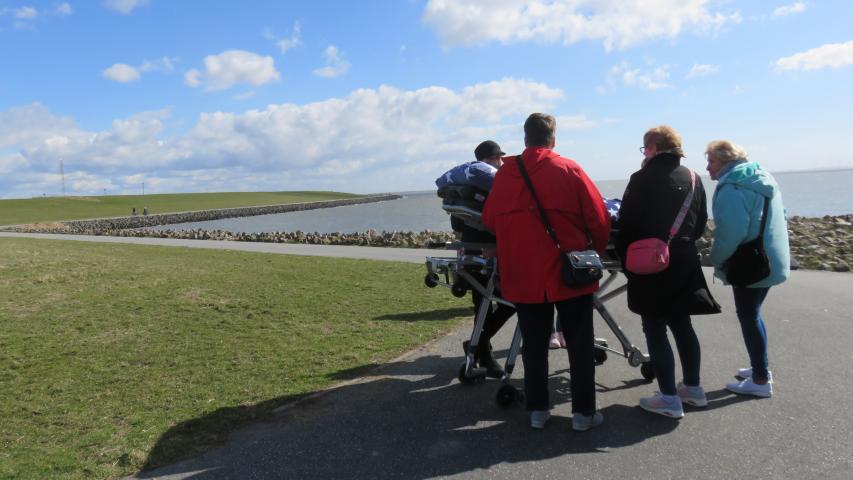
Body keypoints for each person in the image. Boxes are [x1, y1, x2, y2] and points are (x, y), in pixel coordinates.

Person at [482, 113, 610, 431]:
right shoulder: (568, 168)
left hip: (523, 276)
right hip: (570, 275)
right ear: (553, 138)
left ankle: (538, 411)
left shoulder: (505, 175)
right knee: (579, 346)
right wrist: (597, 249)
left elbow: (489, 220)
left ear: (525, 139)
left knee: (533, 346)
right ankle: (583, 414)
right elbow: (599, 218)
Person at [615, 125, 719, 419]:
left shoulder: (642, 177)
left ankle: (669, 398)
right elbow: (699, 225)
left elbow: (627, 225)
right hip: (684, 257)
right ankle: (694, 389)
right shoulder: (694, 178)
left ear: (654, 147)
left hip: (651, 260)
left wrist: (627, 260)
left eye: (644, 148)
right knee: (682, 324)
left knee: (655, 327)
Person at [706, 140, 789, 398]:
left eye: (711, 161)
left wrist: (715, 259)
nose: (708, 167)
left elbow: (730, 234)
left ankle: (761, 380)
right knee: (753, 313)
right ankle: (759, 369)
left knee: (749, 315)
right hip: (770, 258)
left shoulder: (732, 188)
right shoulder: (763, 178)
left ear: (725, 161)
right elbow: (781, 215)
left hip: (750, 263)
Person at [435, 140, 516, 379]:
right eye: (497, 159)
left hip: (473, 255)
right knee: (500, 301)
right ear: (487, 161)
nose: (501, 162)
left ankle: (478, 345)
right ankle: (483, 352)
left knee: (486, 304)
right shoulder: (484, 188)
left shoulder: (471, 190)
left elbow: (457, 224)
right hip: (485, 254)